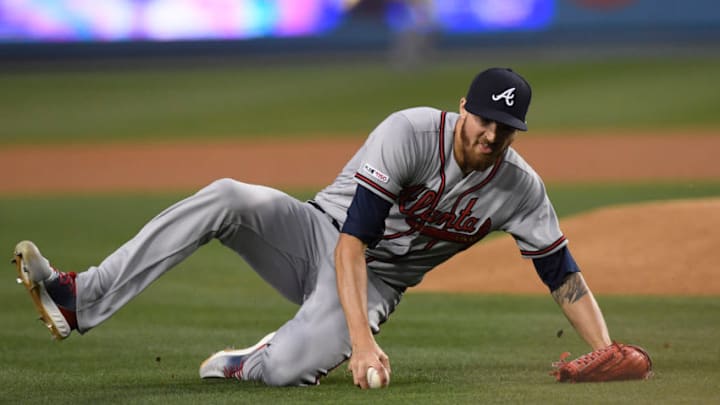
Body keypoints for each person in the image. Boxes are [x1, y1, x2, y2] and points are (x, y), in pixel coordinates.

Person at [14, 67, 612, 389]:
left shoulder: (519, 187)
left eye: (505, 128)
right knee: (228, 196)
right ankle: (79, 296)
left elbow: (560, 273)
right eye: (484, 119)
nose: (490, 135)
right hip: (314, 234)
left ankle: (250, 360)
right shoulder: (408, 133)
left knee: (289, 371)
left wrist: (605, 353)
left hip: (377, 285)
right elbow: (352, 241)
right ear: (463, 108)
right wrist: (363, 342)